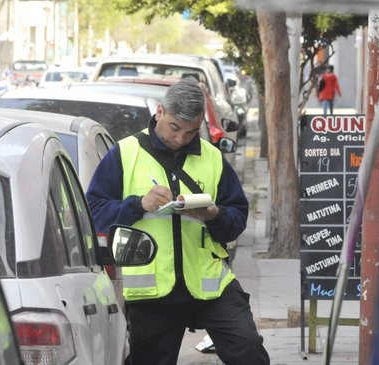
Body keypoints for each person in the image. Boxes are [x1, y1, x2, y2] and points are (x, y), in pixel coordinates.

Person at [86, 77, 270, 365]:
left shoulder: (212, 157)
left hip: (210, 285)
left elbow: (237, 217)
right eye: (175, 128)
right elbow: (94, 212)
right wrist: (138, 205)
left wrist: (213, 215)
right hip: (151, 291)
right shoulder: (124, 154)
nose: (181, 138)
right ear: (160, 112)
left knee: (248, 350)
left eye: (191, 131)